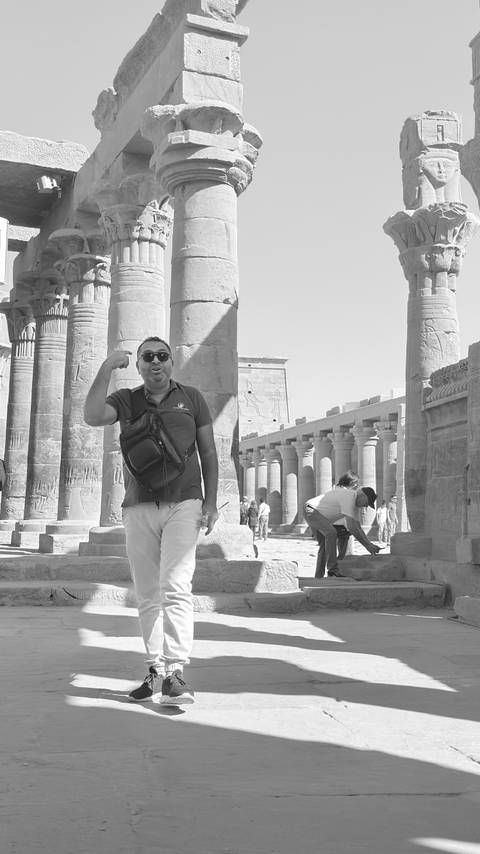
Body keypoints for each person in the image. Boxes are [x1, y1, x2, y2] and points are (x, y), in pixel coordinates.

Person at [84, 336, 219, 707]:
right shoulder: (126, 400)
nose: (155, 362)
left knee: (176, 585)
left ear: (171, 363)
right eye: (148, 357)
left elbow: (208, 451)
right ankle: (155, 670)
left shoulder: (191, 398)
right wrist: (106, 368)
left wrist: (211, 502)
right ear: (140, 365)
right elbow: (93, 416)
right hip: (139, 505)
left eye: (162, 356)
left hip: (185, 503)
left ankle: (177, 672)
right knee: (147, 592)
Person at [304, 482, 381, 577]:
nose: (366, 506)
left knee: (324, 544)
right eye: (367, 503)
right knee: (331, 533)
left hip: (317, 513)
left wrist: (369, 544)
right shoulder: (350, 496)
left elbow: (358, 527)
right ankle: (333, 570)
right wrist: (367, 546)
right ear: (363, 496)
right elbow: (352, 527)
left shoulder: (354, 504)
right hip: (311, 510)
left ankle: (319, 576)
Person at [313, 471, 359, 578]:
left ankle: (319, 575)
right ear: (352, 482)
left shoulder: (334, 491)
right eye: (356, 483)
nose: (357, 486)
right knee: (341, 552)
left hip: (328, 523)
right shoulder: (347, 494)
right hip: (338, 525)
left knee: (324, 550)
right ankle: (334, 572)